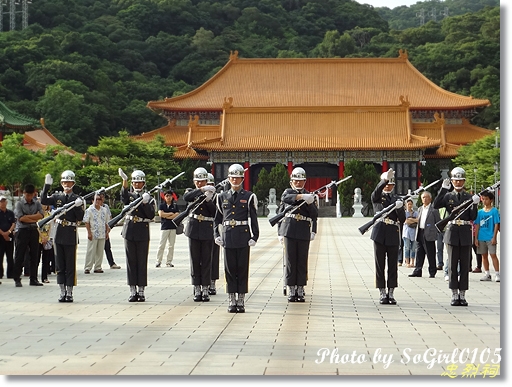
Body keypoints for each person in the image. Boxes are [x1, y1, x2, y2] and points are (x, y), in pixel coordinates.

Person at [214, 163, 259, 313]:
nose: (235, 180)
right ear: (228, 178)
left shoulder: (249, 196)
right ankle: (231, 299)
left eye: (238, 178)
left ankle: (241, 299)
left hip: (243, 235)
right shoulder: (221, 197)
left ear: (242, 178)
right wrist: (216, 234)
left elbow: (253, 218)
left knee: (242, 268)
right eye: (233, 178)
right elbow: (217, 219)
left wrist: (255, 236)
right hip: (228, 236)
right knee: (230, 269)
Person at [433, 167, 479, 307]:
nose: (458, 183)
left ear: (464, 181)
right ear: (452, 181)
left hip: (465, 231)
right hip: (452, 231)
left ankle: (462, 294)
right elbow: (436, 204)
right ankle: (454, 293)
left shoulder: (469, 197)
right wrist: (443, 189)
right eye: (455, 180)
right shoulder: (448, 196)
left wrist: (475, 204)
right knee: (453, 265)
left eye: (460, 181)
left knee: (465, 265)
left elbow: (473, 217)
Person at [41, 171, 84, 302]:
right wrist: (46, 186)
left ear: (73, 183)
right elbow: (43, 200)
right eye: (64, 182)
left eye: (69, 182)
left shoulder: (77, 199)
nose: (66, 184)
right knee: (60, 265)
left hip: (71, 232)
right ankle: (62, 291)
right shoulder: (57, 196)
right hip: (59, 232)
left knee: (70, 265)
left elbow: (80, 218)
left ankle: (70, 292)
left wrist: (78, 206)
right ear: (61, 183)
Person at [279, 167, 318, 302]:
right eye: (296, 181)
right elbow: (285, 200)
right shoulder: (288, 192)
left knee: (302, 260)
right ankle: (291, 288)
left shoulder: (310, 195)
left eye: (301, 181)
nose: (298, 183)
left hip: (303, 229)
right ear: (292, 181)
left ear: (305, 181)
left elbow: (314, 215)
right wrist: (301, 197)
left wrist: (314, 230)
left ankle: (300, 288)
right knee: (290, 260)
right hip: (289, 230)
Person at [370, 168, 405, 305]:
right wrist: (383, 180)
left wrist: (400, 208)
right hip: (379, 233)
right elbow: (374, 194)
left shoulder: (397, 199)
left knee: (392, 265)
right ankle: (382, 291)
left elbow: (401, 219)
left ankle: (391, 292)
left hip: (392, 233)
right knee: (380, 264)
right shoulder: (378, 197)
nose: (388, 186)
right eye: (386, 184)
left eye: (390, 184)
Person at [119, 168, 155, 302]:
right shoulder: (130, 195)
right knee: (131, 261)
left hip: (142, 230)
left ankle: (141, 290)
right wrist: (124, 181)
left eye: (139, 182)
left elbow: (151, 215)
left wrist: (145, 203)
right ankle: (132, 289)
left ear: (144, 183)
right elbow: (123, 198)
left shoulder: (148, 197)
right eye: (134, 182)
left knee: (141, 261)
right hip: (129, 230)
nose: (137, 184)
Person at [183, 168, 216, 302]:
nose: (199, 183)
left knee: (206, 260)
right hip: (193, 228)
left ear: (206, 181)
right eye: (197, 181)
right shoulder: (190, 192)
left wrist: (208, 200)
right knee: (195, 259)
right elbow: (186, 197)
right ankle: (196, 287)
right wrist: (201, 191)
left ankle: (206, 288)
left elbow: (214, 212)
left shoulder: (213, 194)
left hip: (207, 229)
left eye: (202, 181)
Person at [12, 184, 44, 287]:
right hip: (22, 231)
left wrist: (29, 217)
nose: (29, 197)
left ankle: (33, 278)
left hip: (34, 230)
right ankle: (17, 278)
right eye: (27, 195)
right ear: (24, 193)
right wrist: (34, 218)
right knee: (19, 255)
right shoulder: (19, 204)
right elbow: (21, 218)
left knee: (34, 255)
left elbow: (41, 215)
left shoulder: (37, 203)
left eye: (31, 195)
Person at [408, 191, 441, 278]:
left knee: (430, 253)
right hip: (420, 232)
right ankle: (418, 270)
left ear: (430, 199)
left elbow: (438, 222)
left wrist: (435, 232)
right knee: (419, 253)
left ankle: (432, 271)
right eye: (423, 197)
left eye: (426, 197)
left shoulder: (434, 210)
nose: (425, 199)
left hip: (429, 234)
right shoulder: (420, 209)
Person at [474, 191, 500, 282]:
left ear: (491, 200)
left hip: (490, 236)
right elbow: (477, 225)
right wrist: (476, 238)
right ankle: (487, 273)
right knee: (483, 256)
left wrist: (494, 237)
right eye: (483, 199)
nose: (484, 201)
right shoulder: (480, 212)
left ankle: (497, 273)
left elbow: (496, 224)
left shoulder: (494, 211)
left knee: (493, 255)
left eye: (486, 199)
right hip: (481, 237)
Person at [83, 193, 111, 274]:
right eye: (96, 199)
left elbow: (107, 222)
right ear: (93, 201)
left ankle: (98, 267)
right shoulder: (89, 210)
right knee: (91, 250)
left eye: (100, 199)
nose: (98, 201)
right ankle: (88, 267)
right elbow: (86, 222)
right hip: (93, 232)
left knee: (100, 251)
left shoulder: (104, 210)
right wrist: (89, 233)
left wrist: (107, 232)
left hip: (102, 232)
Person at [156, 190, 179, 268]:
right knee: (161, 245)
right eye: (167, 196)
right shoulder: (162, 205)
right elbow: (161, 214)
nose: (168, 197)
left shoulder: (175, 205)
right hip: (164, 227)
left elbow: (177, 215)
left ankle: (169, 261)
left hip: (173, 227)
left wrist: (166, 215)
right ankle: (158, 261)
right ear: (164, 197)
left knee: (171, 245)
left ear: (172, 197)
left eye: (170, 196)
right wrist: (170, 214)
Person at [207, 173, 220, 295]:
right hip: (200, 229)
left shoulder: (217, 197)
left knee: (213, 257)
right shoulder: (197, 195)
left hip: (213, 228)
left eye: (211, 185)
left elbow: (217, 213)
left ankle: (212, 282)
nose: (209, 187)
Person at [100, 194, 121, 269]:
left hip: (104, 230)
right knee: (95, 249)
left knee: (107, 247)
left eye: (102, 198)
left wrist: (109, 228)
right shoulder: (92, 208)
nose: (101, 200)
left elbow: (109, 217)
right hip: (96, 231)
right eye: (99, 198)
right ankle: (94, 265)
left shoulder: (106, 207)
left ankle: (111, 263)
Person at [0, 195, 16, 282]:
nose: (3, 203)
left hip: (9, 236)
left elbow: (13, 223)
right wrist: (3, 233)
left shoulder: (10, 212)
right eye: (1, 202)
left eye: (4, 201)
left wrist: (8, 232)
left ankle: (10, 273)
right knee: (0, 256)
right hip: (0, 237)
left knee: (10, 255)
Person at [39, 205, 55, 283]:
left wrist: (47, 236)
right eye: (43, 204)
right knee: (36, 259)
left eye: (45, 205)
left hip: (47, 239)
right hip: (38, 239)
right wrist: (41, 236)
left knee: (46, 260)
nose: (44, 206)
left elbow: (51, 226)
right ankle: (33, 277)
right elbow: (37, 226)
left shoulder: (49, 215)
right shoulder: (37, 214)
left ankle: (44, 277)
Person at [402, 198, 418, 268]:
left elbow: (418, 220)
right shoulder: (404, 213)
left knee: (413, 248)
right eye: (408, 204)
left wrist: (410, 219)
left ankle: (412, 262)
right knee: (407, 247)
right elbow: (406, 221)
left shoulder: (416, 212)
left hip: (414, 232)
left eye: (411, 204)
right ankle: (407, 262)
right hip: (406, 233)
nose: (410, 205)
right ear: (406, 205)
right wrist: (413, 220)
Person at [437, 207, 447, 272]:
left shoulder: (449, 208)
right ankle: (440, 263)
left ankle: (449, 263)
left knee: (449, 249)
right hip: (439, 231)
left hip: (447, 230)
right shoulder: (439, 209)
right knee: (439, 248)